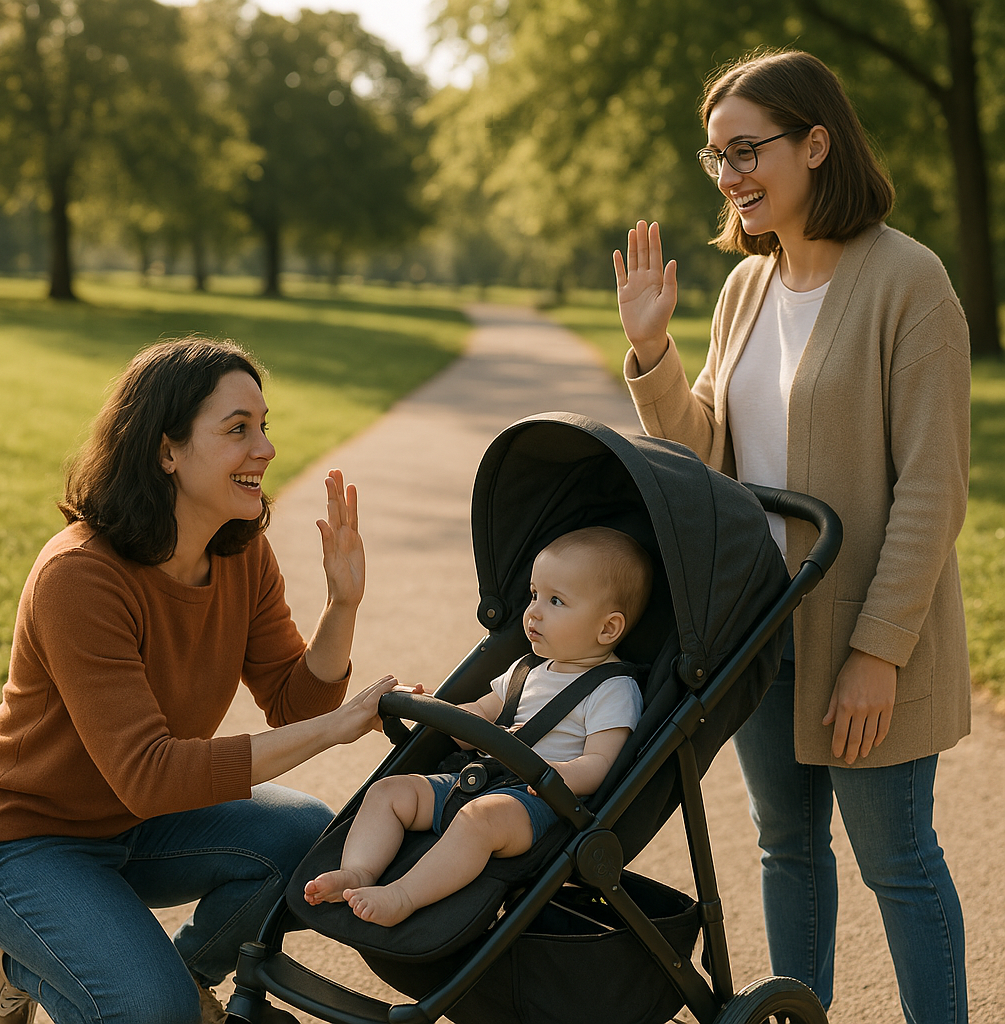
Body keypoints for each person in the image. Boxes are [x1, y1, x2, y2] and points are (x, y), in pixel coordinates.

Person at [612, 49, 970, 1024]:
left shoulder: (910, 281)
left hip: (867, 637)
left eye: (746, 150)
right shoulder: (745, 290)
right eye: (714, 156)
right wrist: (652, 349)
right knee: (786, 847)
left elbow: (934, 488)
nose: (728, 174)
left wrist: (877, 651)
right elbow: (705, 452)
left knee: (896, 861)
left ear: (815, 144)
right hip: (758, 632)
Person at [0, 337, 402, 1024]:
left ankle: (167, 976)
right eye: (238, 429)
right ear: (166, 450)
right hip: (26, 838)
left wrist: (342, 606)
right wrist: (332, 730)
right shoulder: (79, 577)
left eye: (265, 426)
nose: (263, 448)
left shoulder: (238, 553)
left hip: (138, 821)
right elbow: (150, 773)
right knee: (151, 1012)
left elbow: (296, 700)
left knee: (307, 838)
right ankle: (26, 954)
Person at [303, 526, 652, 928]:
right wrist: (432, 708)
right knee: (390, 791)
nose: (533, 611)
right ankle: (359, 871)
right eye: (535, 594)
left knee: (479, 820)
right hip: (473, 780)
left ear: (607, 628)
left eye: (556, 601)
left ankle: (403, 894)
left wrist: (554, 774)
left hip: (534, 804)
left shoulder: (612, 688)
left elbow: (602, 763)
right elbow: (472, 719)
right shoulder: (524, 671)